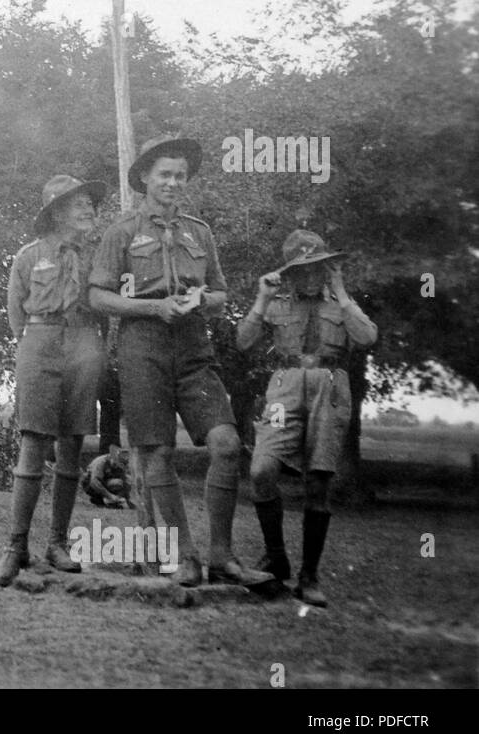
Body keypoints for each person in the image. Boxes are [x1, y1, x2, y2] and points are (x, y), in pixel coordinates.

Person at [88, 135, 273, 588]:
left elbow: (222, 292)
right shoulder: (123, 232)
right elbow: (97, 295)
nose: (173, 182)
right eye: (165, 175)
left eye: (180, 176)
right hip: (142, 347)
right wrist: (154, 307)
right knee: (157, 452)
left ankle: (222, 557)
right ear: (145, 179)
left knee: (227, 444)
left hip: (194, 346)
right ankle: (184, 557)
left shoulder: (199, 232)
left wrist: (204, 300)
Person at [236, 230, 377, 606]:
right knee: (261, 470)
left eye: (317, 268)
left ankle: (309, 576)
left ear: (327, 268)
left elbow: (366, 338)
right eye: (302, 269)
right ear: (291, 273)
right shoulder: (277, 301)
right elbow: (243, 341)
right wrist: (261, 300)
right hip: (284, 386)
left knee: (318, 482)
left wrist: (342, 294)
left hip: (329, 388)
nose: (310, 276)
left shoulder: (342, 303)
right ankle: (276, 555)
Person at [0, 174, 108, 587]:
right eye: (78, 204)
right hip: (39, 342)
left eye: (90, 204)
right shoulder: (29, 255)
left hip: (84, 342)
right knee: (34, 440)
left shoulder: (98, 255)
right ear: (57, 211)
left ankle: (58, 544)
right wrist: (38, 343)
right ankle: (15, 546)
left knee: (73, 442)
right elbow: (15, 315)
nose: (88, 209)